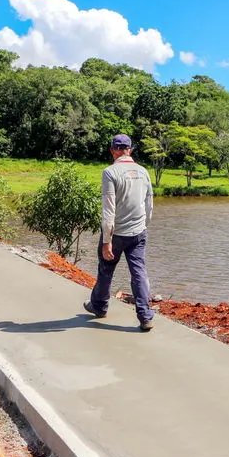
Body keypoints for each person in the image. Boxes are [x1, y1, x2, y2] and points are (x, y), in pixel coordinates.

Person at [84, 134, 156, 331]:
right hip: (138, 232)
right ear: (130, 150)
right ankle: (145, 317)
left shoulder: (110, 172)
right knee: (139, 272)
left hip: (116, 233)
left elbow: (109, 209)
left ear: (113, 150)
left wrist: (107, 240)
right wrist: (144, 226)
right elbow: (149, 204)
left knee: (106, 270)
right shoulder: (143, 172)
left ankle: (99, 307)